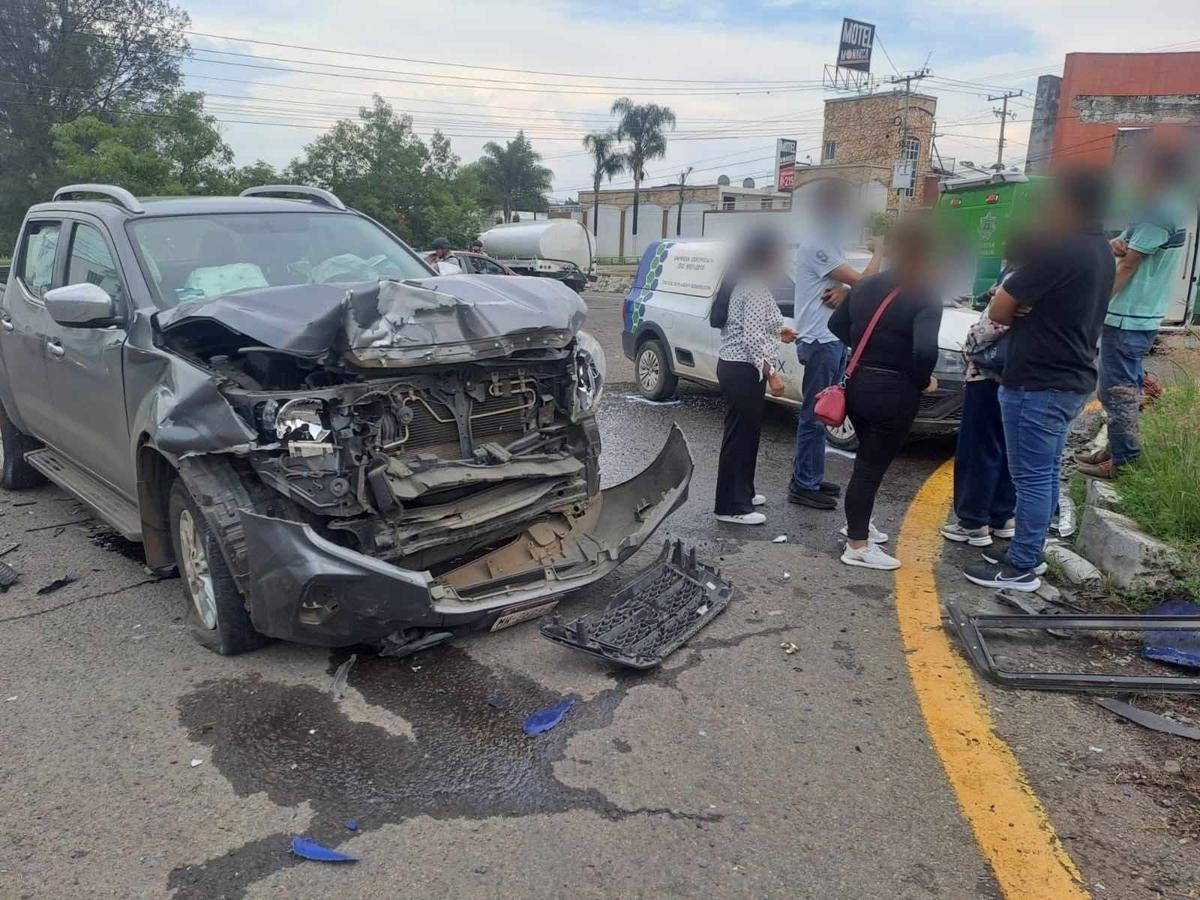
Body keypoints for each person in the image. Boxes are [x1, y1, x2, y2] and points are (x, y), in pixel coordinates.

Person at [963, 171, 1115, 592]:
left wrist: (1015, 305)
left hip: (1039, 382)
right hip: (1070, 377)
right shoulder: (1099, 249)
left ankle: (1022, 566)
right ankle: (1029, 551)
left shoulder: (1060, 250)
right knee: (1043, 472)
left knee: (1030, 476)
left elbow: (998, 309)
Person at [829, 217, 943, 570]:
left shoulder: (865, 286)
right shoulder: (924, 293)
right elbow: (924, 351)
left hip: (859, 384)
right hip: (894, 392)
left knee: (868, 460)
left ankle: (859, 524)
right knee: (869, 467)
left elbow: (836, 325)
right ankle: (857, 544)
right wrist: (923, 379)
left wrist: (868, 351)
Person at [1077, 146, 1191, 480]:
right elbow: (1123, 245)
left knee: (1118, 390)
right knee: (1114, 387)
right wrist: (1117, 244)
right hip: (1134, 315)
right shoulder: (1159, 208)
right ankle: (1114, 450)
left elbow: (1128, 263)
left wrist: (1096, 302)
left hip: (1130, 316)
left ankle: (1124, 460)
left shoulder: (1160, 212)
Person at [788, 181, 882, 510]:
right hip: (819, 341)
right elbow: (867, 282)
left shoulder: (829, 244)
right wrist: (880, 251)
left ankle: (808, 474)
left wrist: (845, 290)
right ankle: (803, 484)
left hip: (830, 340)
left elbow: (846, 286)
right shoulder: (818, 245)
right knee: (816, 416)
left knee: (825, 415)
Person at [939, 238, 1029, 547]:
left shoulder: (1017, 277)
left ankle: (973, 522)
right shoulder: (1044, 276)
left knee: (978, 448)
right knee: (1007, 449)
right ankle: (1002, 517)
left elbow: (993, 325)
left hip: (987, 375)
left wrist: (970, 345)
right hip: (1018, 376)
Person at [712, 230, 798, 525]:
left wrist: (779, 331)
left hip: (736, 367)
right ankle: (731, 507)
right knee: (739, 438)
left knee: (747, 436)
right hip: (743, 370)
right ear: (767, 256)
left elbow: (753, 326)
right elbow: (750, 340)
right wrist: (772, 374)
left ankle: (743, 493)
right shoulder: (755, 287)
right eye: (779, 255)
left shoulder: (747, 282)